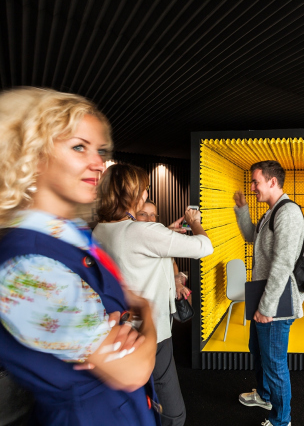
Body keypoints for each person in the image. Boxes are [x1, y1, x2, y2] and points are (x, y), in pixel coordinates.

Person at [0, 87, 160, 425]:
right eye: (79, 147)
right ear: (33, 155)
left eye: (99, 150)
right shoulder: (24, 268)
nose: (98, 164)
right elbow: (133, 370)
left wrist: (122, 329)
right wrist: (147, 314)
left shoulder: (69, 235)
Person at [94, 163, 213, 426]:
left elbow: (134, 253)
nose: (146, 194)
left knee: (137, 400)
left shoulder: (100, 230)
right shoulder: (142, 231)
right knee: (173, 412)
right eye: (144, 189)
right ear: (132, 193)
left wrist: (164, 235)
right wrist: (194, 222)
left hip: (121, 330)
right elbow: (204, 246)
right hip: (152, 331)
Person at [233, 160, 304, 426]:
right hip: (262, 297)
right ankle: (265, 396)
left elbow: (283, 264)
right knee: (258, 351)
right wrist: (242, 209)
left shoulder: (288, 213)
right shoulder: (271, 213)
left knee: (274, 363)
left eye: (256, 182)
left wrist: (266, 308)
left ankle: (281, 420)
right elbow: (250, 236)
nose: (252, 187)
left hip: (275, 304)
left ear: (272, 181)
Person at [136, 199, 190, 299]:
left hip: (162, 296)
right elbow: (203, 247)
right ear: (133, 216)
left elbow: (172, 263)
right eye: (143, 214)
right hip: (142, 299)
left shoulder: (157, 239)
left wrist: (177, 282)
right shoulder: (132, 239)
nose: (149, 220)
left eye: (152, 215)